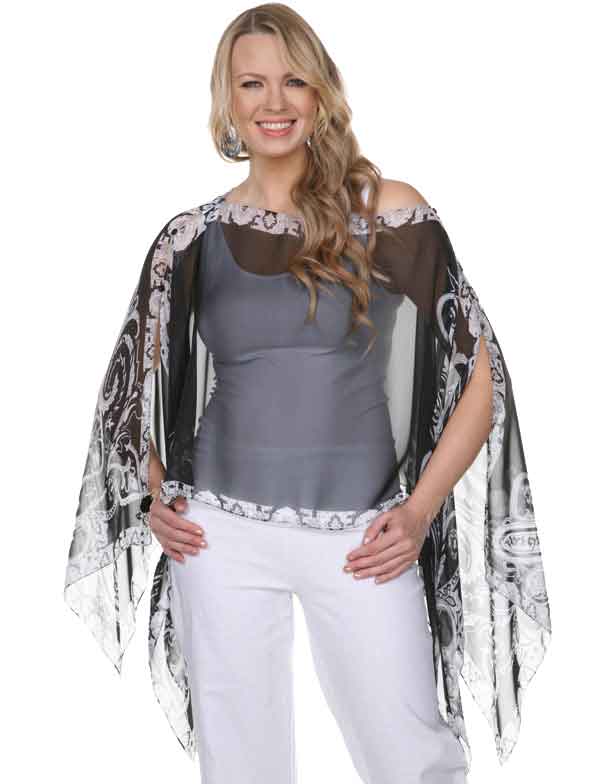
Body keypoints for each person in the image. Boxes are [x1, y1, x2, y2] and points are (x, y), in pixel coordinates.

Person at [64, 4, 552, 783]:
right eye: (251, 83)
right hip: (217, 535)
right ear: (226, 100)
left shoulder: (385, 213)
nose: (274, 102)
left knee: (411, 758)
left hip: (363, 537)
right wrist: (156, 492)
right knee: (241, 765)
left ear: (321, 93)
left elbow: (482, 382)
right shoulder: (189, 238)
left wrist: (419, 511)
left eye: (293, 80)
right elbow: (130, 391)